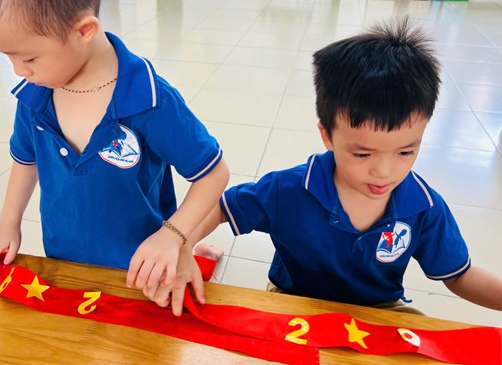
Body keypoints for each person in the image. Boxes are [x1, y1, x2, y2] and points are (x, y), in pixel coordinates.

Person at [146, 18, 502, 316]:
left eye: (406, 151)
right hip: (293, 301)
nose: (385, 171)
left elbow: (459, 275)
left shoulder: (424, 206)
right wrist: (183, 244)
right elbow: (222, 208)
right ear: (327, 136)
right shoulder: (289, 190)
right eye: (363, 154)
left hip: (379, 309)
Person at [0, 0, 229, 293]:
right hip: (65, 259)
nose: (19, 71)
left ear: (83, 31)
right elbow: (25, 160)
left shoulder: (149, 99)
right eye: (7, 57)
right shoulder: (35, 94)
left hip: (143, 266)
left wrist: (173, 235)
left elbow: (213, 174)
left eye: (28, 57)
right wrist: (8, 223)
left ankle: (196, 250)